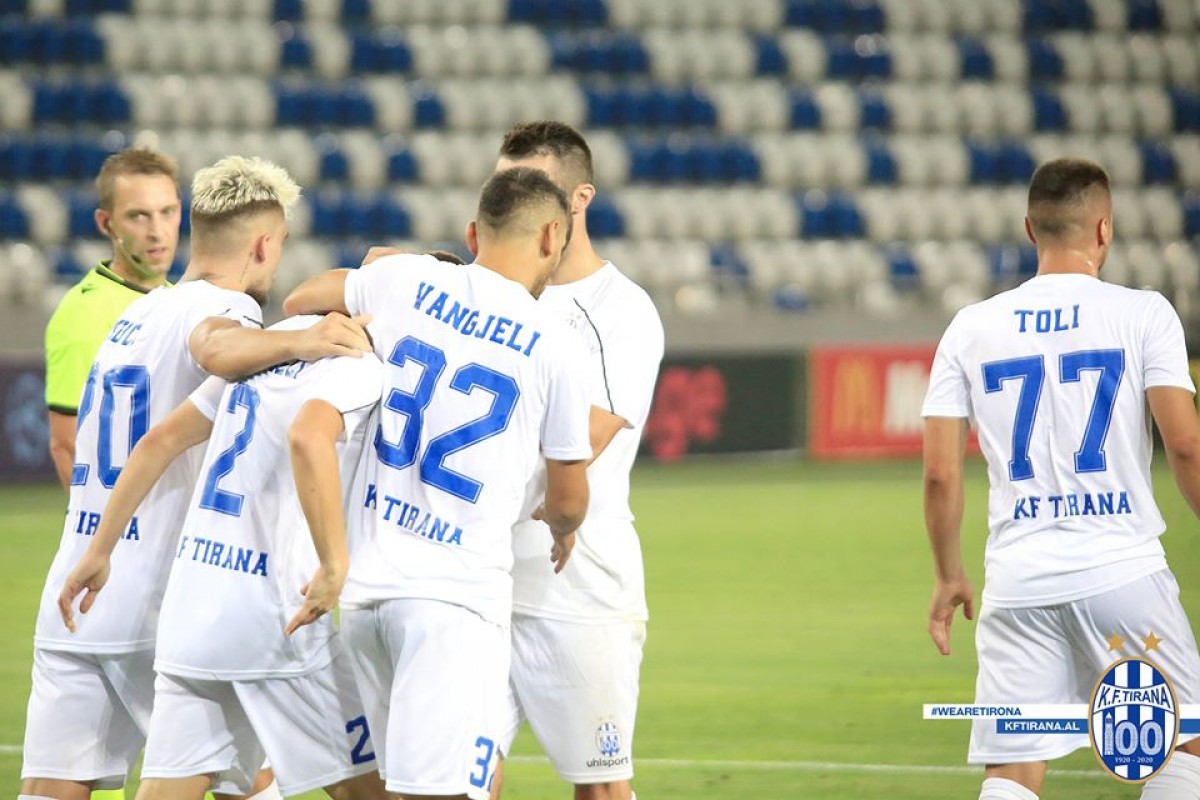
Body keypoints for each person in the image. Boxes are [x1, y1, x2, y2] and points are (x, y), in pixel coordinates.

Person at [22, 155, 370, 800]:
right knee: (256, 777)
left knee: (51, 788)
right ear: (263, 245)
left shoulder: (137, 314)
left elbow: (153, 438)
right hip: (160, 600)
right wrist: (301, 341)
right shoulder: (227, 310)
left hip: (80, 585)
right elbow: (215, 347)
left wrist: (98, 546)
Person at [282, 166, 593, 800]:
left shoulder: (406, 279)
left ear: (475, 234)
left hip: (365, 598)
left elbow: (300, 301)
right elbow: (567, 498)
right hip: (454, 603)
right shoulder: (558, 345)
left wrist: (385, 289)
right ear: (550, 236)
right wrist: (563, 529)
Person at [922, 157, 1200, 800]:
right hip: (1122, 574)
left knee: (1013, 771)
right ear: (1104, 228)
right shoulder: (1144, 314)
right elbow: (1185, 446)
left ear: (1029, 229)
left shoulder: (970, 327)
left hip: (1016, 585)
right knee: (1185, 745)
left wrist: (948, 573)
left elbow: (940, 473)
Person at [58, 312, 386, 800]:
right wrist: (334, 563)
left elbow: (159, 441)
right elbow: (307, 436)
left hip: (191, 610)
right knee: (376, 792)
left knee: (167, 790)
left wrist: (100, 550)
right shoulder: (357, 366)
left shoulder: (268, 346)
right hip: (275, 616)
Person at [492, 121, 663, 800]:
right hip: (480, 584)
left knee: (600, 788)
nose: (515, 198)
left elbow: (584, 438)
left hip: (578, 590)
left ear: (580, 199)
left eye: (531, 184)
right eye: (504, 184)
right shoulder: (485, 294)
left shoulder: (621, 311)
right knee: (455, 781)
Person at [45, 148, 181, 489]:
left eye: (167, 212)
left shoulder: (181, 300)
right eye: (138, 216)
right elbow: (67, 445)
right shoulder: (84, 311)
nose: (157, 231)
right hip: (128, 519)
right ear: (106, 223)